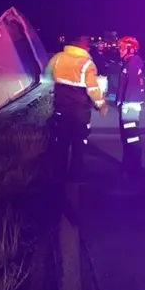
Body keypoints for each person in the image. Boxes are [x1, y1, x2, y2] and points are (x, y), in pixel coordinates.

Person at [45, 35, 108, 181]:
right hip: (80, 111)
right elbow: (92, 89)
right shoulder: (87, 64)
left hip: (61, 108)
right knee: (79, 142)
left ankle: (58, 174)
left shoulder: (57, 58)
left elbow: (46, 77)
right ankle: (76, 174)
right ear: (83, 47)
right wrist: (101, 105)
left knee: (61, 142)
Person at [115, 36, 145, 180]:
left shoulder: (132, 64)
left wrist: (124, 104)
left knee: (131, 138)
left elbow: (132, 86)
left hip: (130, 106)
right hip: (129, 104)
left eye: (122, 47)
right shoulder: (129, 62)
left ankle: (132, 169)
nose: (119, 50)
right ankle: (129, 166)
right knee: (127, 137)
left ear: (130, 48)